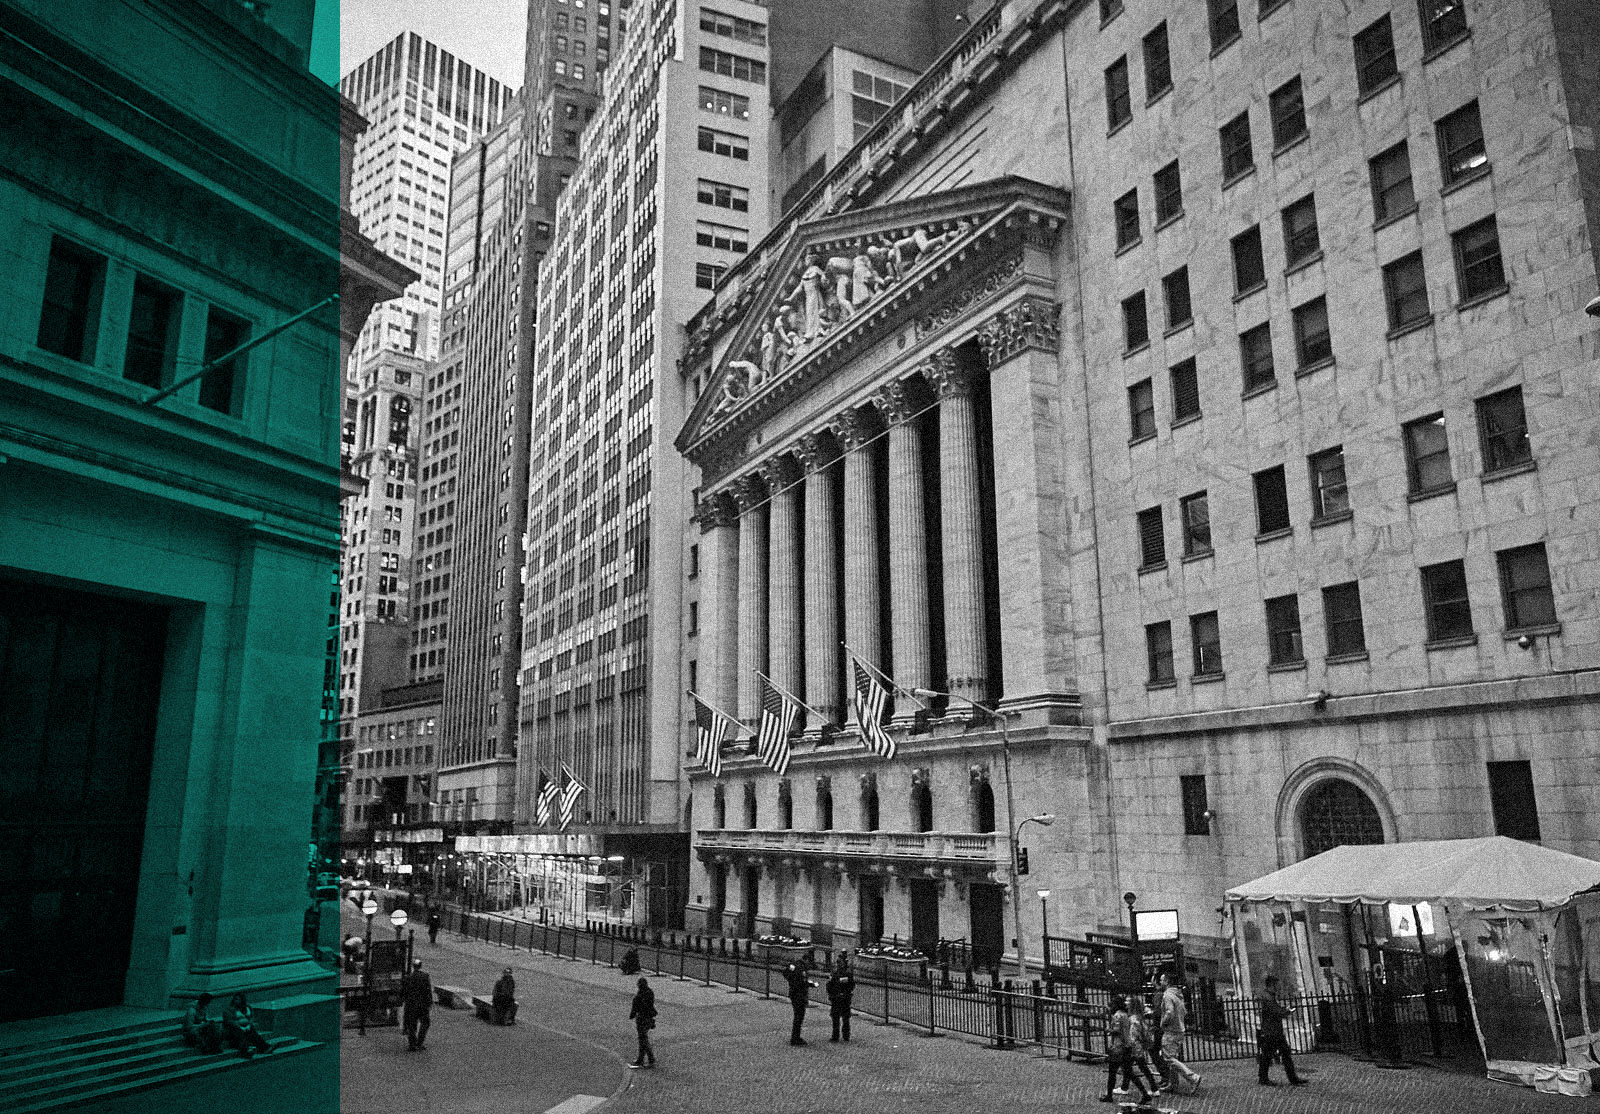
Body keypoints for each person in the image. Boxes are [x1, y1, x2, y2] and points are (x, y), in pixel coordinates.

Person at [1157, 971, 1203, 1093]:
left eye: (1162, 980)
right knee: (1172, 1057)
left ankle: (1192, 1077)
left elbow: (1169, 1012)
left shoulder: (1167, 995)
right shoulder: (1178, 995)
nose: (1160, 982)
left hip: (1171, 1030)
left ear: (1167, 982)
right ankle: (1173, 1084)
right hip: (1179, 1029)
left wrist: (1163, 1022)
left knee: (1169, 1058)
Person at [1100, 995, 1150, 1105]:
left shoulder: (1117, 1016)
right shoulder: (1125, 1015)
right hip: (1126, 1046)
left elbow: (1117, 1030)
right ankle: (1145, 1093)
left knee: (1112, 1072)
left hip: (1118, 1047)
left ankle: (1109, 1095)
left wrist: (1109, 1030)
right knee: (1129, 1073)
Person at [1257, 975, 1305, 1086]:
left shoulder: (1270, 996)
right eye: (1277, 985)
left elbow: (1276, 1010)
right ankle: (1264, 1078)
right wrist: (1287, 1011)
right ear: (1272, 985)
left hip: (1274, 1031)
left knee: (1282, 1054)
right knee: (1269, 1055)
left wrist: (1284, 1010)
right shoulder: (1268, 997)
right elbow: (1276, 1011)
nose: (1279, 987)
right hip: (1271, 1031)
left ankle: (1291, 1078)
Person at [222, 993, 271, 1058]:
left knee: (253, 1032)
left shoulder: (248, 1007)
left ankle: (265, 1047)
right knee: (239, 1033)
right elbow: (229, 1021)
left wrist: (248, 1025)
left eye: (238, 999)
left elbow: (251, 1017)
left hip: (247, 1027)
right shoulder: (229, 1010)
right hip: (235, 1029)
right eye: (235, 999)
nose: (236, 1001)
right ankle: (246, 1050)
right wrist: (240, 1027)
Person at [401, 958, 434, 1051]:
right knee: (425, 1023)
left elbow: (404, 992)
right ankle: (420, 1042)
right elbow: (428, 991)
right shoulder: (425, 976)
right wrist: (429, 1002)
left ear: (413, 966)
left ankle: (412, 1044)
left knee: (411, 1025)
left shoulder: (408, 978)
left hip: (411, 1005)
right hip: (423, 1005)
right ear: (421, 966)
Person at [782, 961, 816, 1046]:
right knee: (799, 1016)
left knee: (798, 1016)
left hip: (794, 994)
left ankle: (795, 1037)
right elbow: (802, 983)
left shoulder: (793, 967)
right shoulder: (801, 970)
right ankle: (795, 1038)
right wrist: (811, 984)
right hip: (799, 996)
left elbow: (786, 974)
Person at [628, 977, 657, 1068]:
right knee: (644, 1038)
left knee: (643, 1039)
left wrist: (631, 1016)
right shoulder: (650, 993)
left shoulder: (638, 997)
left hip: (641, 1019)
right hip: (649, 1018)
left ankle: (644, 1059)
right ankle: (646, 1058)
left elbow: (634, 1011)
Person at [826, 956, 856, 1042]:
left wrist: (835, 994)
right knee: (842, 1018)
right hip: (841, 998)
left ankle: (839, 1036)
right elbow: (852, 985)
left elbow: (829, 986)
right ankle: (842, 1035)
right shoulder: (844, 974)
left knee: (840, 1018)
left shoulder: (839, 974)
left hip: (840, 999)